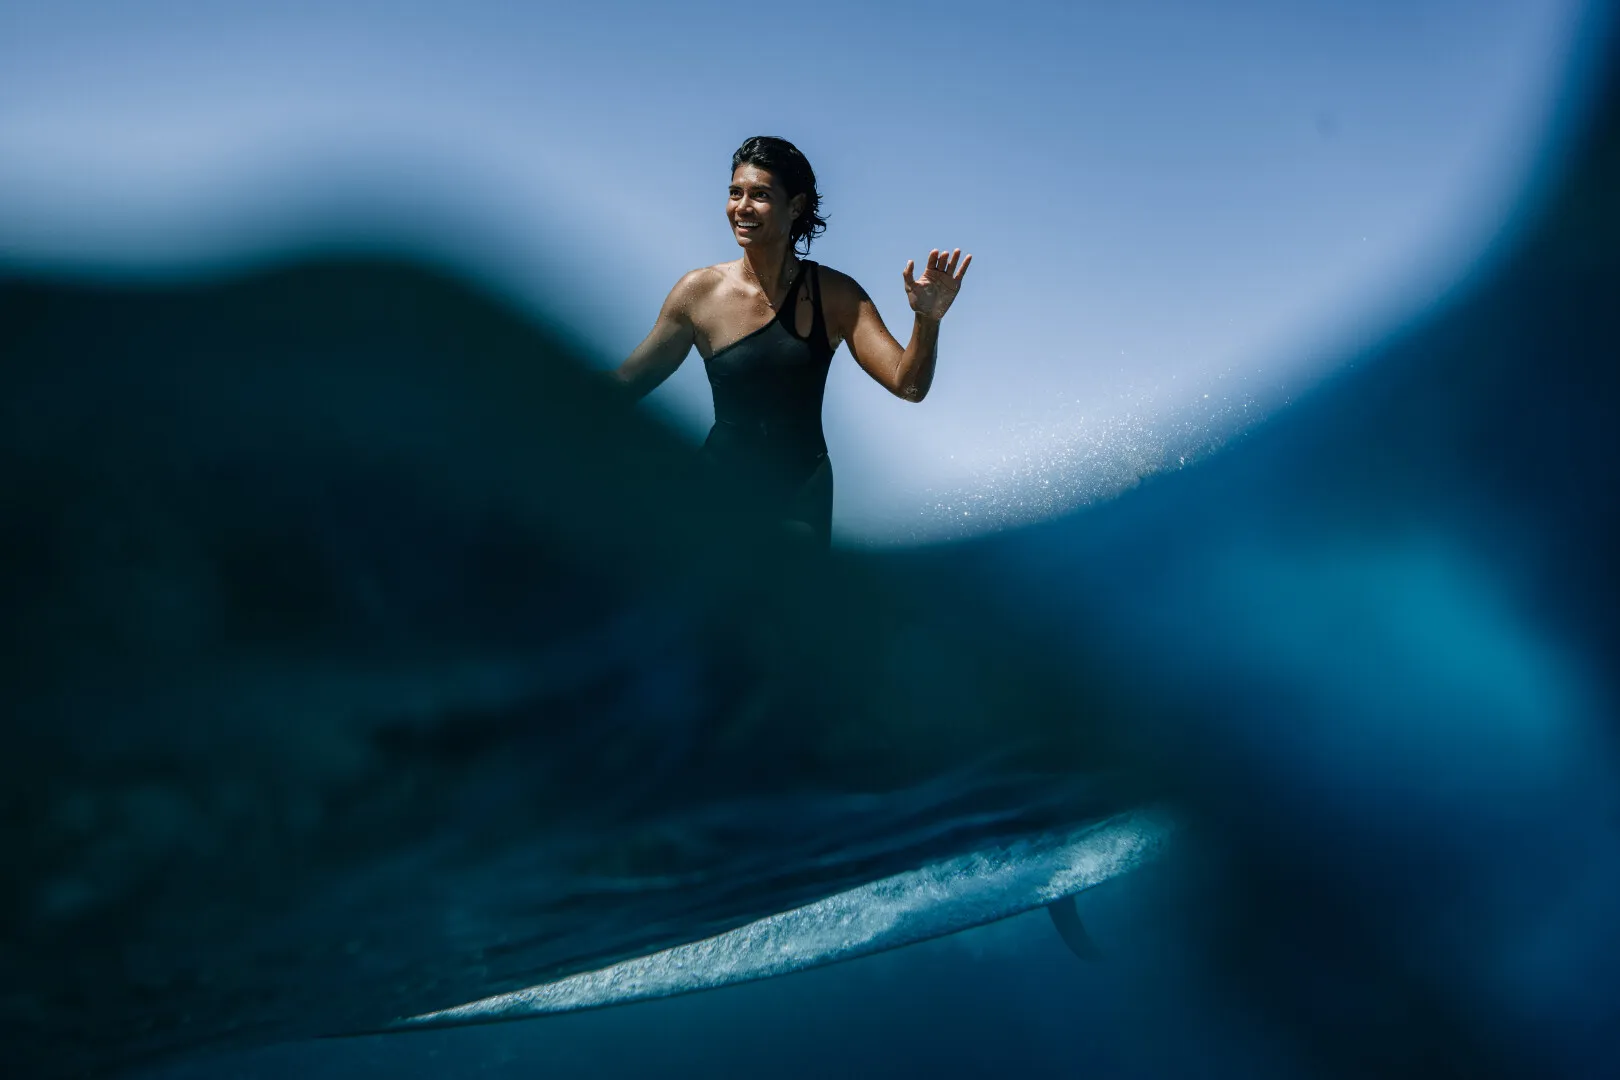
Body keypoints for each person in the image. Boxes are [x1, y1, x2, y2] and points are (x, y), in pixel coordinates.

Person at [611, 135, 971, 549]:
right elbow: (626, 383)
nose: (742, 207)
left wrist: (927, 320)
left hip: (800, 499)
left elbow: (908, 386)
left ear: (796, 206)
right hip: (715, 490)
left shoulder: (836, 295)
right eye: (735, 193)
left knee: (782, 604)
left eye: (759, 195)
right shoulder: (699, 293)